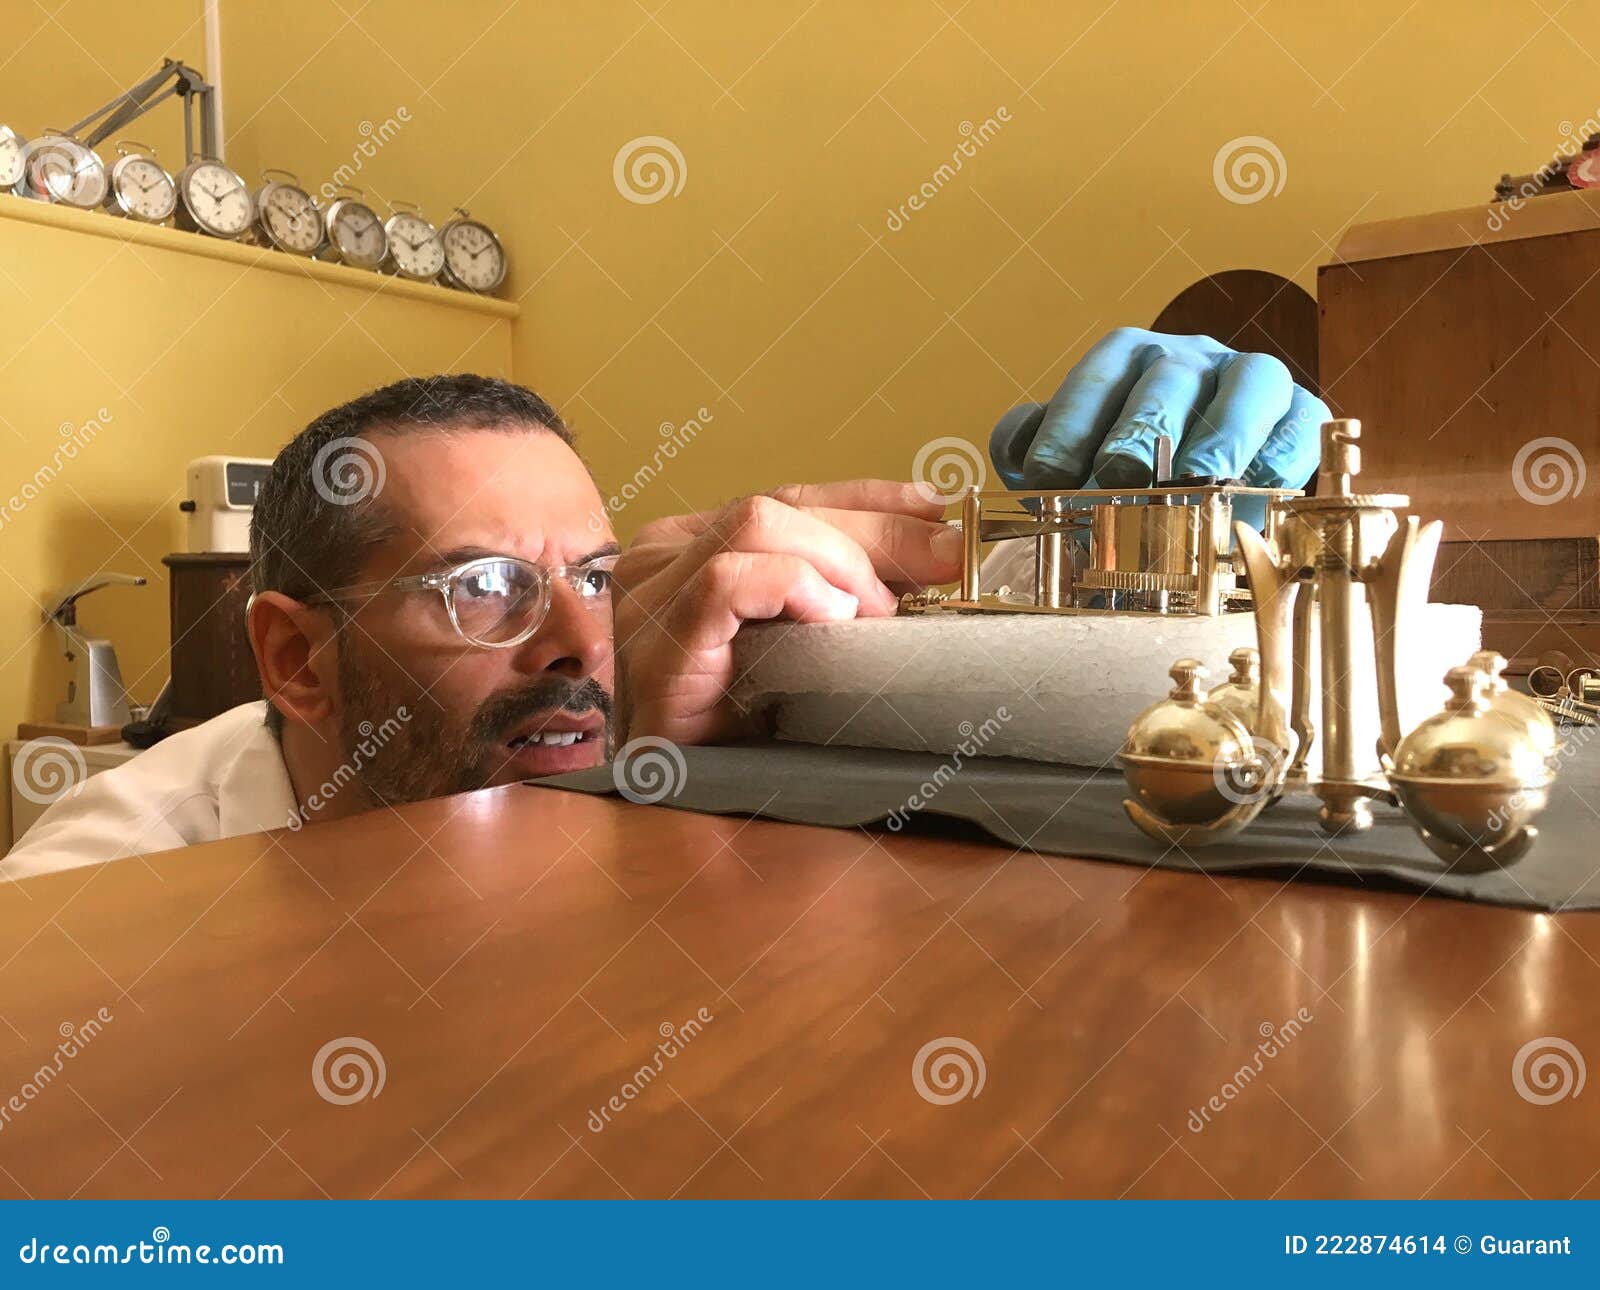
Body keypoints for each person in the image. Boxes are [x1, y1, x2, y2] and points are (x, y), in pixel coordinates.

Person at [2, 332, 1324, 879]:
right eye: (484, 589)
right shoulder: (100, 890)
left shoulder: (626, 724)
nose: (582, 643)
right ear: (296, 659)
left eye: (594, 573)